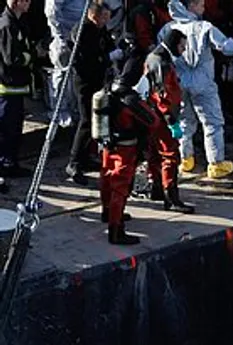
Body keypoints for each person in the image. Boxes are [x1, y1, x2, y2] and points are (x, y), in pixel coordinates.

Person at [161, 0, 233, 178]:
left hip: (179, 83)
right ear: (192, 6)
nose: (204, 9)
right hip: (203, 83)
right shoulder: (204, 27)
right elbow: (226, 46)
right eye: (201, 5)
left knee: (185, 122)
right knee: (212, 122)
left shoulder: (167, 29)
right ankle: (216, 163)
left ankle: (186, 159)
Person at [98, 67, 156, 244]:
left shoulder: (107, 92)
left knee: (107, 177)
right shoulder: (130, 99)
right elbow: (153, 121)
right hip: (125, 147)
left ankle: (107, 212)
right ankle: (116, 231)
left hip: (107, 145)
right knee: (120, 187)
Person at [143, 28, 194, 212]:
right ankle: (171, 199)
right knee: (170, 156)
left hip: (153, 115)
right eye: (182, 46)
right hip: (162, 118)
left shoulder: (155, 58)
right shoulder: (162, 62)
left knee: (155, 153)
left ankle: (156, 188)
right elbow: (160, 94)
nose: (183, 49)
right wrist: (171, 120)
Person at [64, 0, 114, 185]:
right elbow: (86, 58)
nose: (106, 22)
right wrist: (106, 58)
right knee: (85, 121)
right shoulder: (83, 31)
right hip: (84, 81)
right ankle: (74, 162)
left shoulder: (100, 29)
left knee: (94, 119)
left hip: (97, 79)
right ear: (94, 15)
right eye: (104, 17)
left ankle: (85, 157)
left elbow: (107, 45)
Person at [0, 0, 34, 189]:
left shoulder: (18, 22)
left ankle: (11, 162)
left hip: (16, 86)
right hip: (8, 87)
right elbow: (11, 58)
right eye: (26, 0)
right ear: (16, 3)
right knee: (7, 130)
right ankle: (5, 164)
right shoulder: (7, 26)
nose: (29, 3)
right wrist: (31, 56)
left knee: (14, 129)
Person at [44, 0, 83, 127]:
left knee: (76, 75)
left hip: (80, 35)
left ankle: (74, 109)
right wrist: (61, 35)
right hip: (65, 37)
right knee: (61, 74)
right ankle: (59, 111)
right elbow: (52, 12)